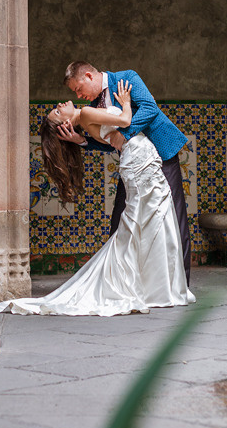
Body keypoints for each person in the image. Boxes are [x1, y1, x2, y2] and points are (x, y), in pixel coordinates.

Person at [0, 81, 195, 316]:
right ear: (67, 122)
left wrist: (79, 141)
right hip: (139, 159)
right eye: (58, 111)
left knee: (146, 220)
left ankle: (149, 285)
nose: (61, 103)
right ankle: (156, 286)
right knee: (151, 218)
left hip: (137, 160)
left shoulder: (88, 121)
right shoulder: (88, 112)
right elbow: (126, 123)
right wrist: (127, 104)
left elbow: (111, 141)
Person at [60, 61, 192, 285]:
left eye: (78, 88)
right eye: (75, 93)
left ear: (89, 76)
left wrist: (126, 132)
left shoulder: (126, 78)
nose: (79, 95)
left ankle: (181, 283)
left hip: (162, 152)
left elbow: (150, 109)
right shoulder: (92, 106)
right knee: (120, 217)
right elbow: (112, 142)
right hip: (132, 164)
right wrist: (81, 141)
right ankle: (119, 282)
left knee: (173, 215)